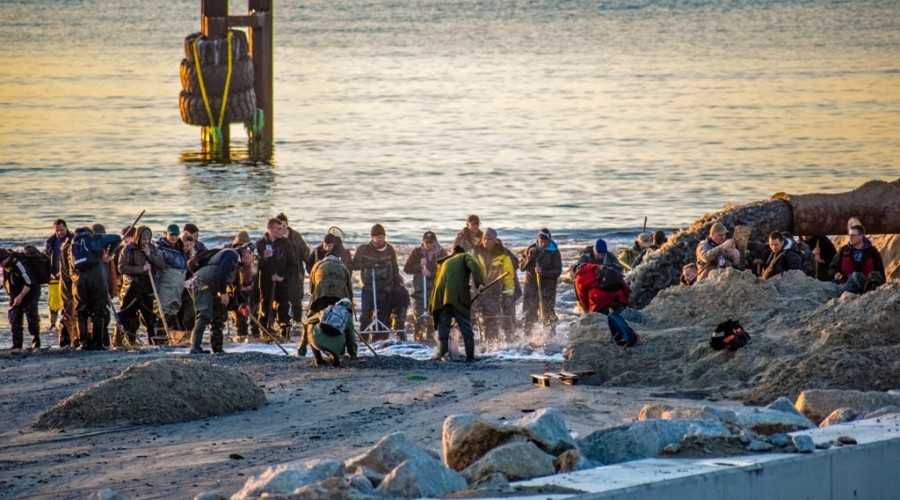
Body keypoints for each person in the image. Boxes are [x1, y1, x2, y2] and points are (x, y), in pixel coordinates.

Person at [187, 243, 256, 354]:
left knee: (219, 316)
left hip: (214, 287)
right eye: (253, 256)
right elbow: (221, 275)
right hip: (202, 284)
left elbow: (236, 286)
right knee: (204, 314)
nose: (253, 261)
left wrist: (242, 303)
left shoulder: (237, 263)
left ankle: (217, 348)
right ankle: (195, 347)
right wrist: (223, 293)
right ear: (248, 253)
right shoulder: (231, 255)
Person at [429, 245, 486, 362]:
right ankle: (470, 358)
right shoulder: (464, 256)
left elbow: (435, 285)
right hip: (457, 297)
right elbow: (474, 265)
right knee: (466, 328)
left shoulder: (443, 263)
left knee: (443, 330)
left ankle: (442, 356)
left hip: (439, 300)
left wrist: (431, 307)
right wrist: (479, 283)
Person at [71, 227, 122, 350]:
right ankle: (97, 343)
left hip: (79, 281)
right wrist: (109, 254)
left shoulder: (73, 245)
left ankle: (83, 343)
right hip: (97, 278)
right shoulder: (96, 239)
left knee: (81, 311)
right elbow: (117, 238)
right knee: (99, 309)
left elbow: (72, 267)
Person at [352, 223, 403, 341]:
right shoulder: (364, 249)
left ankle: (380, 338)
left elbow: (395, 267)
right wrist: (367, 265)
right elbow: (354, 265)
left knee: (384, 315)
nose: (380, 239)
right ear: (372, 237)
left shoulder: (390, 249)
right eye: (378, 237)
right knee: (365, 314)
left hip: (386, 287)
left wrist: (397, 283)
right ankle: (364, 338)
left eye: (382, 237)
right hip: (369, 286)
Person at [300, 247, 353, 357]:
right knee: (345, 324)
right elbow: (349, 289)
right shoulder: (343, 267)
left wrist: (313, 301)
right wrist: (349, 306)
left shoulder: (317, 265)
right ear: (338, 259)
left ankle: (303, 348)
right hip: (339, 299)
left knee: (310, 321)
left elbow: (311, 287)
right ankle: (349, 352)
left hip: (320, 299)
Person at [118, 226, 165, 345]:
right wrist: (141, 269)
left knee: (150, 318)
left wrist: (150, 255)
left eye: (148, 239)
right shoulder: (128, 249)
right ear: (138, 237)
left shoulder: (152, 248)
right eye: (144, 239)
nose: (146, 241)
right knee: (128, 318)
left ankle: (153, 342)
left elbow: (161, 265)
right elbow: (122, 268)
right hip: (131, 288)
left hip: (146, 288)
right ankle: (128, 342)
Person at [256, 218, 297, 340]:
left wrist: (282, 276)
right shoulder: (260, 244)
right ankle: (265, 334)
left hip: (282, 281)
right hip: (266, 281)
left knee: (283, 307)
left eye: (283, 228)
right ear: (270, 229)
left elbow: (293, 265)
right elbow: (254, 266)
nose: (282, 231)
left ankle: (285, 335)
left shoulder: (286, 244)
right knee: (265, 307)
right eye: (279, 229)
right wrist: (264, 257)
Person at [403, 230, 448, 342]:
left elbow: (446, 272)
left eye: (431, 242)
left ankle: (431, 337)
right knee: (418, 315)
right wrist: (419, 266)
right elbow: (407, 269)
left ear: (435, 242)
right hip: (419, 289)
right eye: (426, 242)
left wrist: (431, 274)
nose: (428, 245)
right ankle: (417, 337)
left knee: (434, 314)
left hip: (435, 289)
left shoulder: (442, 253)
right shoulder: (416, 252)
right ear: (423, 242)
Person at [472, 228, 516, 342]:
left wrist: (509, 294)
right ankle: (465, 340)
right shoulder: (475, 251)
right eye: (484, 238)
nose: (486, 241)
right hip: (476, 288)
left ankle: (491, 343)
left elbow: (509, 275)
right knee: (467, 313)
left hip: (493, 289)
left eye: (489, 239)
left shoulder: (503, 254)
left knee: (491, 317)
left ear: (495, 240)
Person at [519, 228, 562, 335]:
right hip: (531, 286)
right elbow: (522, 267)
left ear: (549, 240)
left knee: (548, 313)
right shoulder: (531, 249)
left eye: (545, 241)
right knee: (530, 312)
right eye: (541, 241)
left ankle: (550, 336)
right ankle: (527, 336)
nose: (543, 244)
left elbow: (557, 271)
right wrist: (529, 257)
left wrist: (543, 272)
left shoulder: (554, 252)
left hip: (548, 287)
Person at [275, 213, 312, 335]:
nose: (282, 228)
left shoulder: (295, 236)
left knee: (296, 299)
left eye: (284, 225)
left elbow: (305, 252)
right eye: (279, 226)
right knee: (280, 300)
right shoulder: (275, 237)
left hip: (296, 273)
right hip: (280, 273)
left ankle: (297, 323)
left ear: (287, 224)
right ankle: (282, 324)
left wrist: (312, 265)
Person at [1, 248, 42, 350]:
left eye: (1, 263)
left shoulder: (19, 263)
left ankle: (36, 340)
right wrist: (14, 297)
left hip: (30, 292)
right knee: (14, 319)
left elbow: (29, 282)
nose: (1, 265)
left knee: (31, 317)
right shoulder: (6, 266)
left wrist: (20, 296)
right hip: (15, 294)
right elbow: (6, 282)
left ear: (6, 258)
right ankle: (17, 345)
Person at [830, 223, 886, 295]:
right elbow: (832, 267)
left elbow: (880, 273)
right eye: (849, 235)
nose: (850, 237)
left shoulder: (872, 252)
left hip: (867, 288)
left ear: (861, 236)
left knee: (856, 276)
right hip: (846, 287)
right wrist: (836, 274)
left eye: (853, 235)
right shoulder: (844, 251)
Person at [156, 224, 189, 330]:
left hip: (178, 283)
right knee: (164, 308)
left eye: (176, 235)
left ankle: (171, 332)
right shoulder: (160, 248)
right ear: (166, 234)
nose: (174, 237)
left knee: (175, 307)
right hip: (167, 282)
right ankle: (161, 333)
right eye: (171, 235)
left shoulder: (180, 246)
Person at [306, 298, 358, 366]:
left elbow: (308, 321)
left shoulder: (328, 309)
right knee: (342, 332)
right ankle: (335, 358)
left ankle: (318, 360)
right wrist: (353, 354)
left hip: (318, 342)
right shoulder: (347, 316)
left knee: (311, 326)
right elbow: (351, 338)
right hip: (337, 347)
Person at [229, 231, 259, 341]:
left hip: (251, 292)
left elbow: (256, 277)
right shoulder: (233, 259)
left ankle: (255, 338)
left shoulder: (254, 259)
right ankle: (241, 338)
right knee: (239, 319)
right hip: (236, 292)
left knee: (254, 316)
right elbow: (231, 281)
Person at [44, 219, 72, 332]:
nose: (59, 232)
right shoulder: (50, 241)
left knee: (67, 300)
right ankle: (52, 324)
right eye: (57, 230)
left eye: (61, 230)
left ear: (66, 228)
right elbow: (46, 257)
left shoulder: (73, 239)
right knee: (53, 300)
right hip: (54, 274)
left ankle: (66, 322)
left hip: (68, 276)